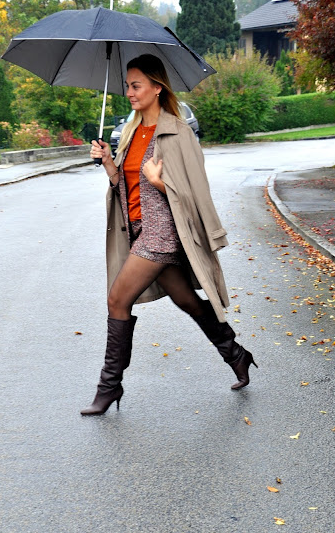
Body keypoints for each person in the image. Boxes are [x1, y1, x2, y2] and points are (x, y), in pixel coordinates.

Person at [81, 54, 257, 416]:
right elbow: (126, 186)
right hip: (138, 230)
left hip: (162, 234)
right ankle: (236, 354)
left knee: (117, 300)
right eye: (127, 86)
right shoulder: (131, 132)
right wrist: (109, 163)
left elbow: (195, 191)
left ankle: (109, 386)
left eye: (136, 86)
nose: (130, 92)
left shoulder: (177, 132)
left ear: (157, 88)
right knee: (186, 300)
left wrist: (160, 183)